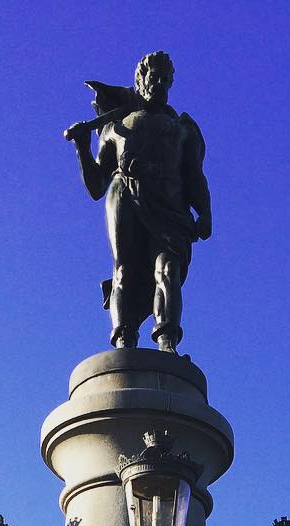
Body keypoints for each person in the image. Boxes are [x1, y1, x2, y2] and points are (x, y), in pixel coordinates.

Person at [66, 51, 212, 353]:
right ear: (140, 81)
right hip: (125, 195)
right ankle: (124, 341)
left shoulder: (182, 128)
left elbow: (194, 176)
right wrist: (82, 147)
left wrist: (205, 211)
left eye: (165, 80)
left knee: (168, 269)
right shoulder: (116, 127)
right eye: (153, 77)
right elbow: (96, 186)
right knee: (125, 270)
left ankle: (167, 342)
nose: (159, 84)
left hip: (170, 206)